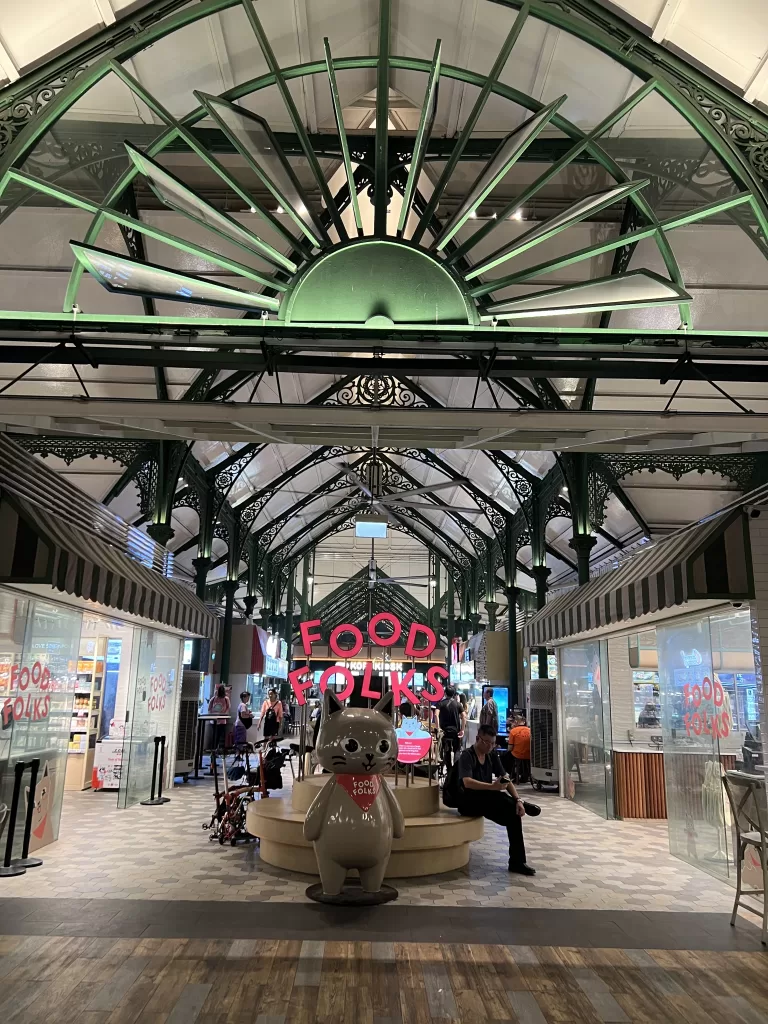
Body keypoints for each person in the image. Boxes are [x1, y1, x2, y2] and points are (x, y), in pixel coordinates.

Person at [457, 723, 534, 875]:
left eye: (493, 743)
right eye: (487, 743)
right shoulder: (467, 755)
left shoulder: (491, 755)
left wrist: (517, 799)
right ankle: (517, 861)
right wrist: (492, 787)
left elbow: (505, 778)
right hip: (468, 801)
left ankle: (517, 862)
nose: (490, 746)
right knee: (497, 796)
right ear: (478, 739)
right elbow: (467, 782)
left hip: (486, 798)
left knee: (513, 813)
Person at [437, 686, 463, 773]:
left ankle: (448, 769)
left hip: (445, 732)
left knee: (445, 751)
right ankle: (456, 768)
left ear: (445, 693)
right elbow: (464, 716)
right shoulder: (458, 704)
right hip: (455, 732)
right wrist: (462, 729)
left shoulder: (441, 703)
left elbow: (436, 714)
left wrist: (438, 728)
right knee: (457, 750)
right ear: (454, 694)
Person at [508, 714, 531, 785]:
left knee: (505, 756)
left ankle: (512, 775)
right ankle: (525, 776)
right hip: (529, 755)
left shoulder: (513, 731)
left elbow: (510, 748)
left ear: (515, 722)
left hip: (517, 754)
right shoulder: (530, 730)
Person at [207, 684, 230, 753]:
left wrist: (214, 713)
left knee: (216, 737)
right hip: (219, 721)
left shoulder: (222, 699)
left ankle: (214, 751)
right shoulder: (215, 698)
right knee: (217, 737)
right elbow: (228, 709)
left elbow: (209, 709)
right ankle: (214, 751)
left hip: (217, 721)